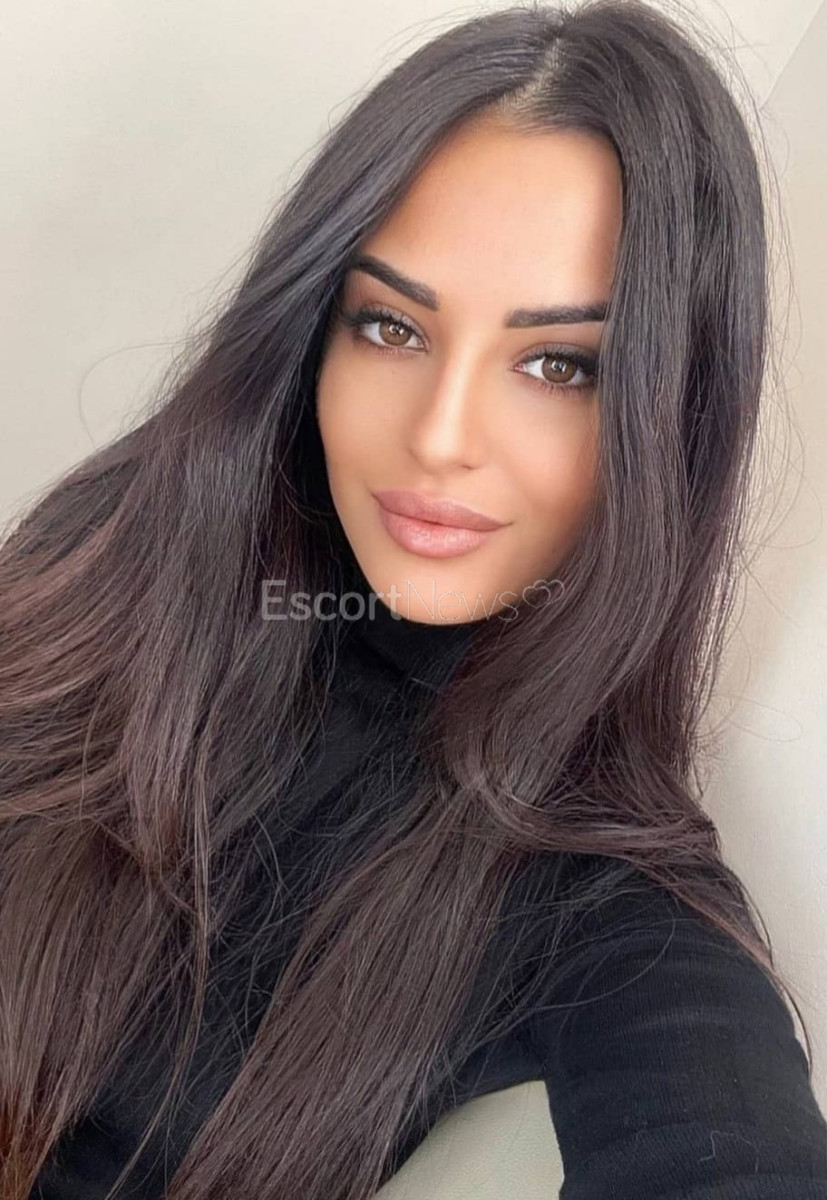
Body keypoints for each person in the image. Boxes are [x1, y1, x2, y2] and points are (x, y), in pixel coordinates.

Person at [1, 1, 825, 1197]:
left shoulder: (597, 894)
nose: (439, 437)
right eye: (391, 327)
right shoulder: (121, 553)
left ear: (669, 419)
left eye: (558, 365)